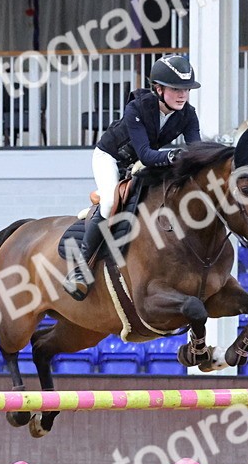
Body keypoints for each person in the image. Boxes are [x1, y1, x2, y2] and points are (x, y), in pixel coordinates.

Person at [64, 54, 203, 301]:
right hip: (111, 158)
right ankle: (80, 268)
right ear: (158, 89)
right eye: (176, 89)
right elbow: (147, 155)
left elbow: (197, 151)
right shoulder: (138, 107)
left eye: (186, 90)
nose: (183, 95)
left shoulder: (188, 114)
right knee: (109, 202)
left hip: (141, 163)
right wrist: (175, 155)